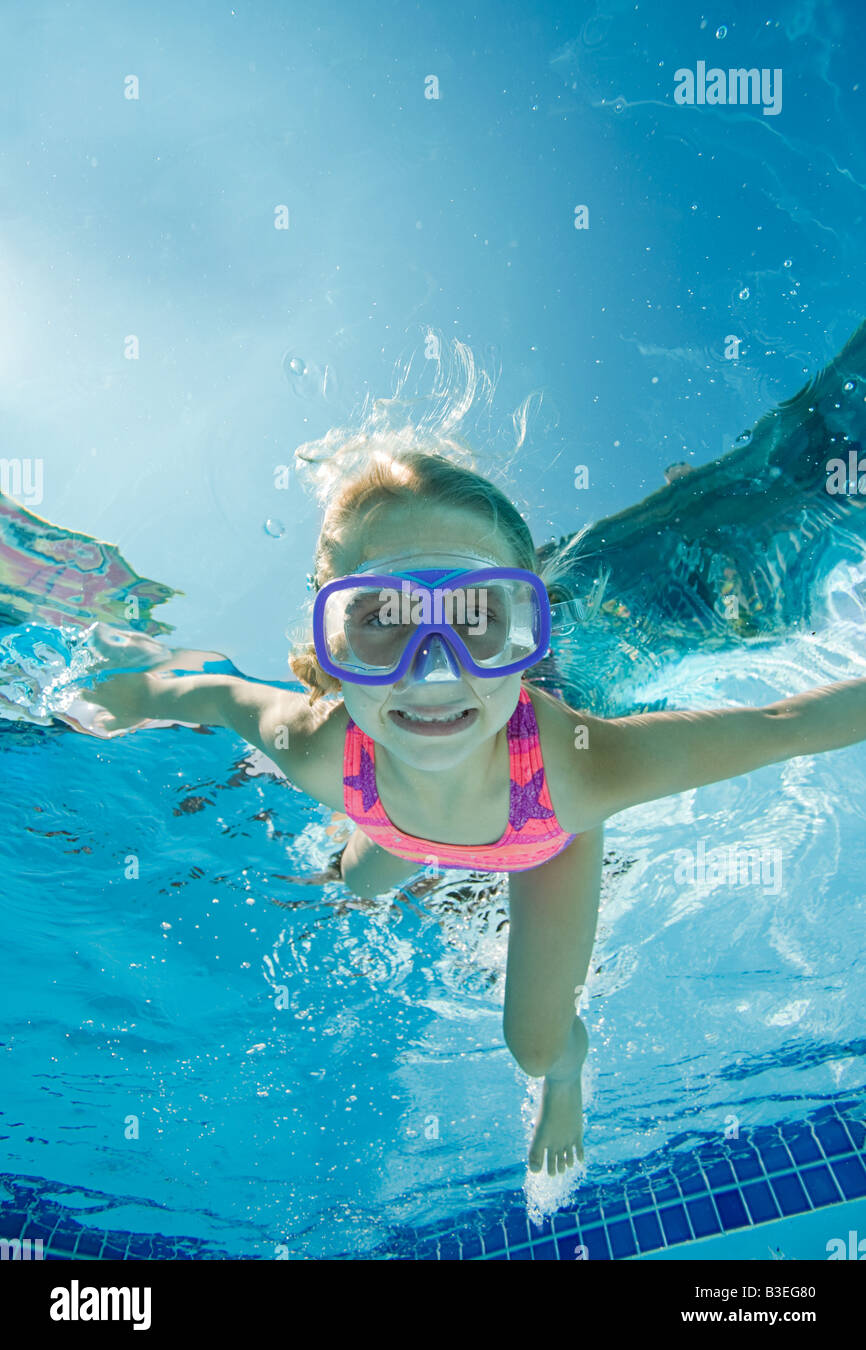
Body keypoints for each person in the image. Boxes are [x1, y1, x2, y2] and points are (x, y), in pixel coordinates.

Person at [78, 445, 866, 1179]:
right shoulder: (317, 745)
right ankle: (404, 836)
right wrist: (128, 690)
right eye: (381, 620)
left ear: (532, 626)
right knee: (357, 885)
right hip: (385, 813)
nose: (430, 670)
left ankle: (566, 1080)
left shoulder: (583, 772)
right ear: (328, 643)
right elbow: (216, 694)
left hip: (539, 832)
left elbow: (783, 727)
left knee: (532, 1044)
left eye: (478, 618)